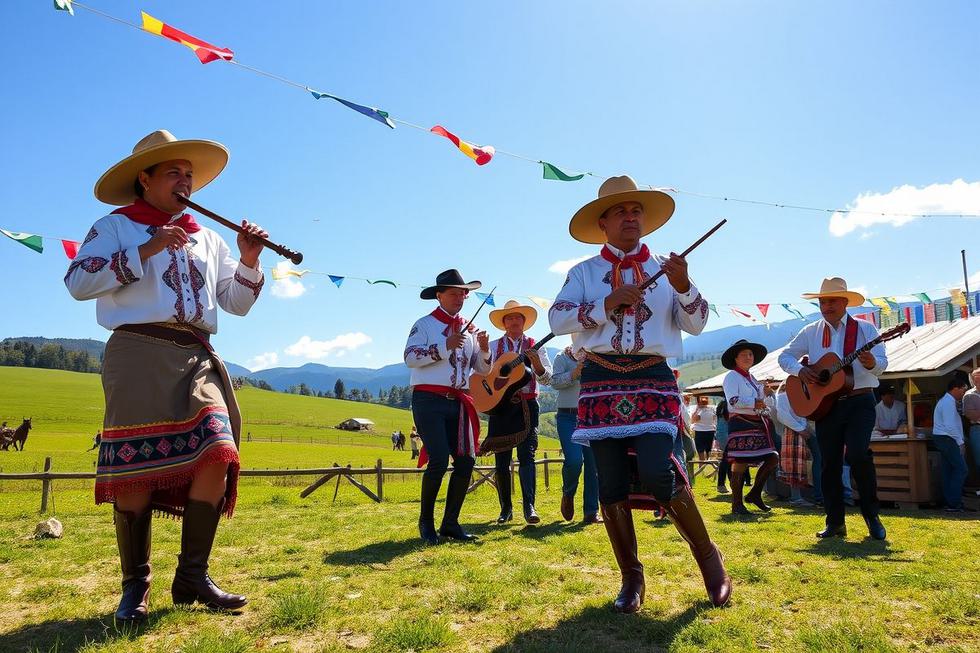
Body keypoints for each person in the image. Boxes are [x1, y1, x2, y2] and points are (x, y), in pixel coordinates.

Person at [65, 130, 266, 621]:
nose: (185, 182)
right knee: (136, 464)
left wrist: (248, 260)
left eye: (189, 175)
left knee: (219, 447)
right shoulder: (115, 227)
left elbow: (235, 304)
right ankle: (136, 585)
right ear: (145, 178)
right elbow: (78, 282)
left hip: (197, 352)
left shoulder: (208, 237)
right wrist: (149, 248)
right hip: (136, 350)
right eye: (174, 173)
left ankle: (193, 577)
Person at [549, 175, 730, 611]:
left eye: (637, 212)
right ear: (604, 223)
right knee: (609, 482)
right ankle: (632, 578)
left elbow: (698, 322)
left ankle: (709, 559)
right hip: (600, 381)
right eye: (621, 212)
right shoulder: (584, 273)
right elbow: (557, 319)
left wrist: (685, 285)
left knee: (657, 470)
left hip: (652, 376)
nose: (631, 218)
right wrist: (606, 304)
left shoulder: (668, 270)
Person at [778, 277, 888, 540]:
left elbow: (883, 363)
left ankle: (872, 516)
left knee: (859, 454)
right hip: (826, 406)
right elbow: (785, 357)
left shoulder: (865, 329)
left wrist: (872, 361)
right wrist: (802, 371)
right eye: (822, 301)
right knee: (829, 464)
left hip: (860, 400)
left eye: (830, 301)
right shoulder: (811, 331)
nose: (825, 306)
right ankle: (835, 522)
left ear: (844, 302)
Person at [404, 269, 491, 545]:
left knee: (466, 461)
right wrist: (445, 345)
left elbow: (482, 368)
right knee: (440, 459)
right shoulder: (425, 324)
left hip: (460, 401)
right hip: (428, 400)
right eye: (453, 293)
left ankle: (451, 523)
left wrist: (486, 349)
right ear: (439, 295)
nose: (460, 297)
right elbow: (410, 357)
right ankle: (426, 523)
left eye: (463, 293)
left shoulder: (472, 329)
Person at [483, 300, 552, 524]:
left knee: (527, 456)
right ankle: (505, 509)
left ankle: (529, 507)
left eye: (518, 318)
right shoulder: (493, 347)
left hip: (528, 404)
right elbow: (484, 374)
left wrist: (536, 365)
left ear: (524, 322)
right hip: (501, 407)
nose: (514, 321)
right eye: (509, 318)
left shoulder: (536, 345)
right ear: (503, 323)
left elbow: (546, 377)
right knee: (501, 458)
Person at [721, 340, 780, 514]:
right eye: (744, 354)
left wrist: (765, 397)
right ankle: (737, 504)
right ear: (736, 358)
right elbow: (733, 401)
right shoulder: (732, 376)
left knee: (772, 458)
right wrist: (757, 401)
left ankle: (754, 494)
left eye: (750, 354)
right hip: (740, 423)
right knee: (740, 462)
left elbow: (760, 404)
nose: (748, 357)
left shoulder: (752, 378)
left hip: (756, 423)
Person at [550, 346, 601, 523]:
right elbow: (554, 382)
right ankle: (568, 493)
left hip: (591, 416)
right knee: (574, 460)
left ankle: (591, 511)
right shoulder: (561, 357)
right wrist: (574, 373)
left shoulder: (595, 356)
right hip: (567, 416)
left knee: (593, 465)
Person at [773, 382, 814, 507]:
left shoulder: (794, 396)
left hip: (798, 430)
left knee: (799, 464)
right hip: (793, 431)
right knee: (794, 464)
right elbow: (783, 416)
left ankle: (799, 496)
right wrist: (801, 428)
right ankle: (796, 497)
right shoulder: (784, 396)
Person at [933, 376, 969, 512]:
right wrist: (960, 442)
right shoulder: (948, 402)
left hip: (945, 438)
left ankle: (950, 502)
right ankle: (954, 502)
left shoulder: (947, 401)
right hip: (947, 439)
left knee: (948, 470)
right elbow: (949, 426)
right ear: (955, 388)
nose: (963, 394)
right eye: (962, 390)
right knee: (961, 469)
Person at [960, 368, 980, 473]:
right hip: (977, 430)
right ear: (973, 381)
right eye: (977, 379)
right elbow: (971, 415)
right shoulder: (969, 395)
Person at [691, 395, 717, 473]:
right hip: (710, 430)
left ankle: (701, 469)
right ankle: (710, 468)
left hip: (700, 431)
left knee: (701, 452)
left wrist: (696, 410)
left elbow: (693, 420)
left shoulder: (698, 410)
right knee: (708, 450)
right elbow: (714, 419)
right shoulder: (712, 409)